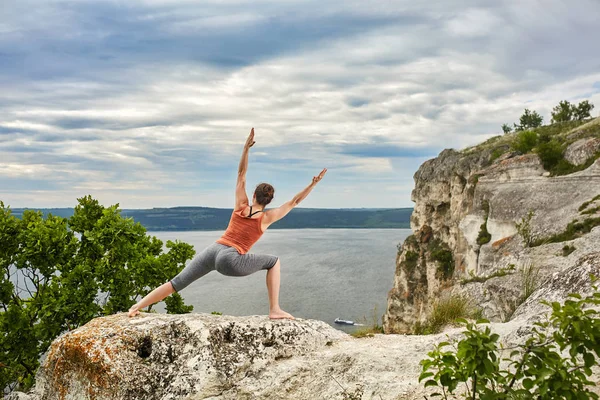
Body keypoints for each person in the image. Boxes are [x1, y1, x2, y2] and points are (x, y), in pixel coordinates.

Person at [127, 128, 327, 320]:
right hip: (230, 259)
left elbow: (241, 175)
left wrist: (246, 149)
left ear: (253, 195)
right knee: (273, 261)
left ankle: (137, 306)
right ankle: (274, 309)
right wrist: (313, 184)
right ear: (269, 201)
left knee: (178, 282)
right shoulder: (266, 218)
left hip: (214, 250)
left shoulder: (240, 206)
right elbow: (295, 201)